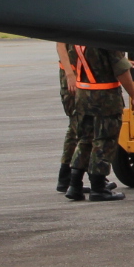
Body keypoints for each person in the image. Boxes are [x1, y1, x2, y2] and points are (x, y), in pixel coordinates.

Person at [63, 43, 134, 202]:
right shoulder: (105, 40)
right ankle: (98, 187)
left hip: (83, 96)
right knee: (105, 140)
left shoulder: (76, 39)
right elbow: (121, 69)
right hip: (105, 97)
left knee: (85, 140)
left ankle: (74, 184)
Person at [54, 43, 80, 193]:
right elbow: (60, 45)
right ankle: (70, 177)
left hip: (82, 77)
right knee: (79, 128)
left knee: (76, 129)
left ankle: (67, 177)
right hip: (72, 78)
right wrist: (70, 74)